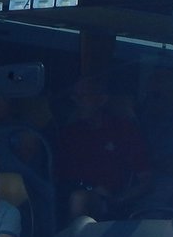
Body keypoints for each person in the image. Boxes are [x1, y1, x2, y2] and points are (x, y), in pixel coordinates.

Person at [55, 75, 151, 219]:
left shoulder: (123, 130)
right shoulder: (69, 133)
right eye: (73, 96)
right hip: (67, 196)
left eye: (82, 96)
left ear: (101, 99)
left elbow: (146, 180)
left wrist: (118, 199)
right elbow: (58, 176)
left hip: (109, 202)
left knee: (79, 199)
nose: (75, 101)